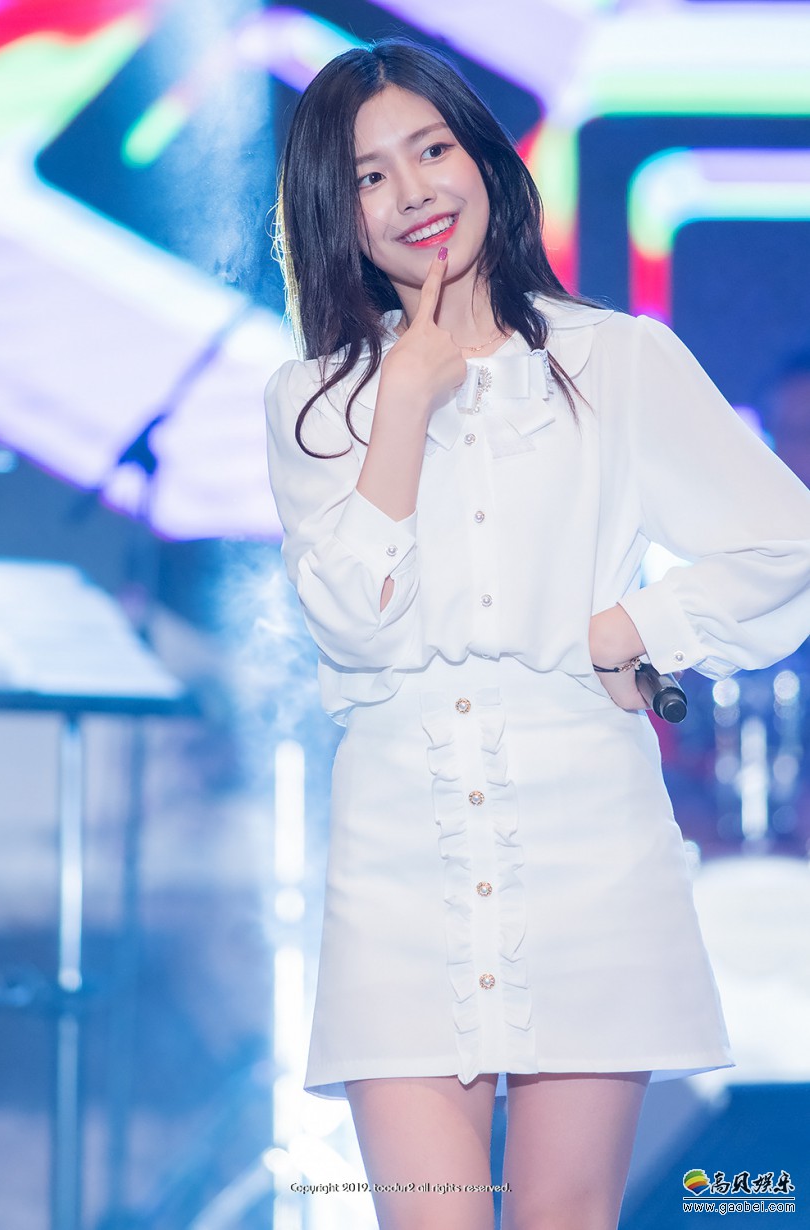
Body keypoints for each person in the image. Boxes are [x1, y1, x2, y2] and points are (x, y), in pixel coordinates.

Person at [264, 38, 810, 1230]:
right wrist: (402, 402)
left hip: (588, 852)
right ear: (335, 213)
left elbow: (785, 543)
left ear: (483, 161)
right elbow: (352, 627)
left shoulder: (617, 360)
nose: (412, 192)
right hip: (401, 865)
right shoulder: (312, 401)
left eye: (431, 150)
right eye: (368, 177)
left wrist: (642, 625)